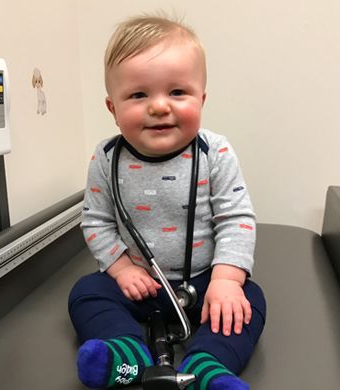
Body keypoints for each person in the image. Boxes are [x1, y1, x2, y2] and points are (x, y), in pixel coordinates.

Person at [68, 14, 266, 390]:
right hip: (139, 284)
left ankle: (208, 366)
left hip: (203, 283)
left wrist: (226, 280)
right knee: (87, 293)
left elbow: (235, 217)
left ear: (201, 98)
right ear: (112, 108)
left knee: (251, 300)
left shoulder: (215, 153)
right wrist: (122, 270)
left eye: (177, 92)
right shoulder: (106, 159)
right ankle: (125, 355)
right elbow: (96, 221)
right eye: (139, 95)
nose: (159, 106)